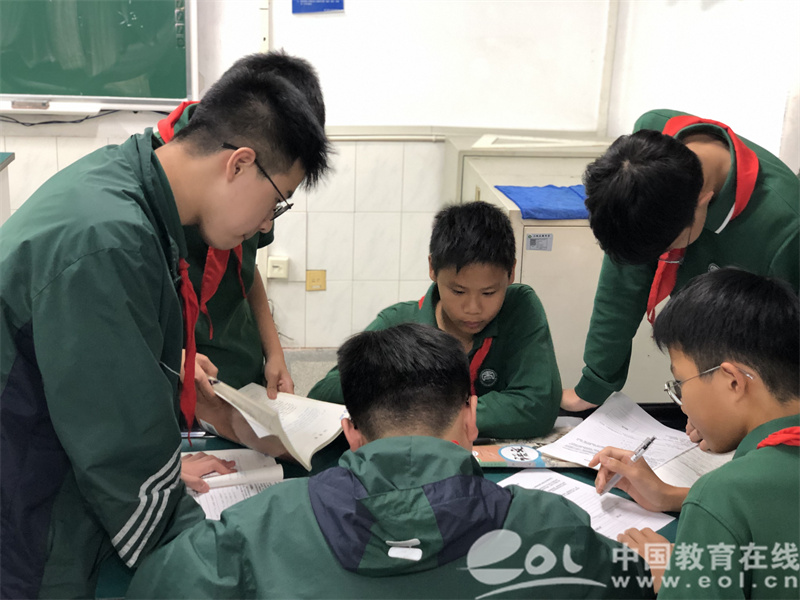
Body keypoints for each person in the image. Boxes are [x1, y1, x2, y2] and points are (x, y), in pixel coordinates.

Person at [0, 53, 330, 598]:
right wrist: (225, 564)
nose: (264, 225)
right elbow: (118, 451)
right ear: (239, 164)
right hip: (28, 495)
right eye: (276, 203)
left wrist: (163, 375)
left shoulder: (131, 184)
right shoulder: (108, 241)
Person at [126, 323, 651, 599]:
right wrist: (657, 560)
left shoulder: (255, 531)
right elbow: (641, 584)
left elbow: (158, 583)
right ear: (471, 417)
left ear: (350, 432)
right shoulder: (555, 531)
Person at [562, 109, 799, 422]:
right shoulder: (646, 149)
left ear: (702, 202)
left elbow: (781, 357)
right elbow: (621, 286)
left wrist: (721, 417)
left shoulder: (786, 229)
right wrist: (594, 384)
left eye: (666, 248)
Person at [590, 268, 799, 597]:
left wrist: (679, 578)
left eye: (680, 383)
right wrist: (669, 496)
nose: (683, 403)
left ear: (733, 382)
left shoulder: (722, 494)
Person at [308, 201, 561, 439]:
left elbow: (538, 406)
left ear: (512, 272)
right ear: (432, 268)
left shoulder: (520, 307)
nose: (473, 309)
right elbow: (323, 396)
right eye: (458, 291)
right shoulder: (400, 322)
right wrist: (395, 381)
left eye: (489, 293)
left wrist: (428, 416)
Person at [156, 50, 326, 399]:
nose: (265, 225)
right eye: (275, 201)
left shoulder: (256, 190)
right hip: (182, 379)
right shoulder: (167, 182)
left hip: (240, 368)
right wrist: (170, 360)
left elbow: (247, 271)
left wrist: (274, 352)